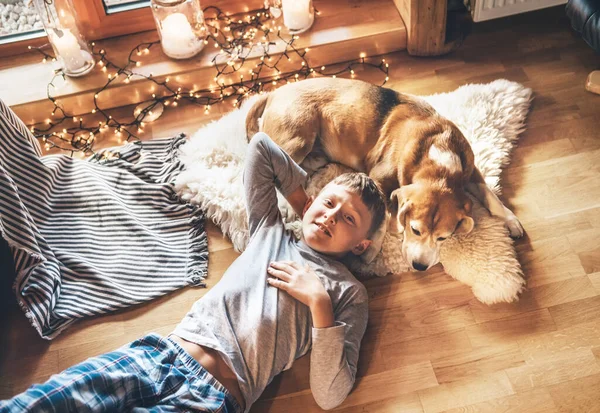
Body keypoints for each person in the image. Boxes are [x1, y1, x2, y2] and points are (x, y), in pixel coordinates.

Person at [0, 132, 387, 413]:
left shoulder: (346, 293)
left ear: (360, 245)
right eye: (329, 202)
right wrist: (304, 203)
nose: (331, 216)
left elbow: (330, 394)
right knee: (37, 405)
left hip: (211, 399)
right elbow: (260, 149)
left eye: (348, 218)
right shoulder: (270, 231)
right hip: (159, 355)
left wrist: (319, 305)